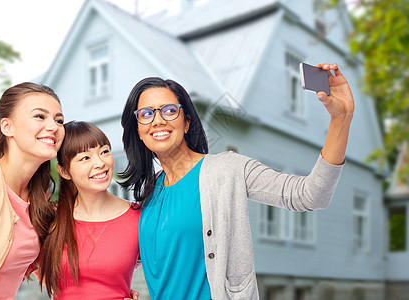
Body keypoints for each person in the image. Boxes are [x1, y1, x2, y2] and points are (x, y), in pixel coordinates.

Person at [119, 63, 354, 299]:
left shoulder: (227, 169)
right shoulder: (148, 196)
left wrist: (340, 119)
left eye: (169, 110)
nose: (157, 120)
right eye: (146, 114)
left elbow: (310, 195)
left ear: (187, 122)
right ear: (138, 129)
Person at [0, 82, 65, 299]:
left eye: (58, 120)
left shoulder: (38, 200)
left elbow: (60, 275)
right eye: (40, 116)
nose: (53, 126)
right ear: (7, 127)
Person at [39, 121, 140, 300]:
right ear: (64, 171)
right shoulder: (50, 218)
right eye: (85, 158)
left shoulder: (138, 217)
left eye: (104, 151)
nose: (100, 163)